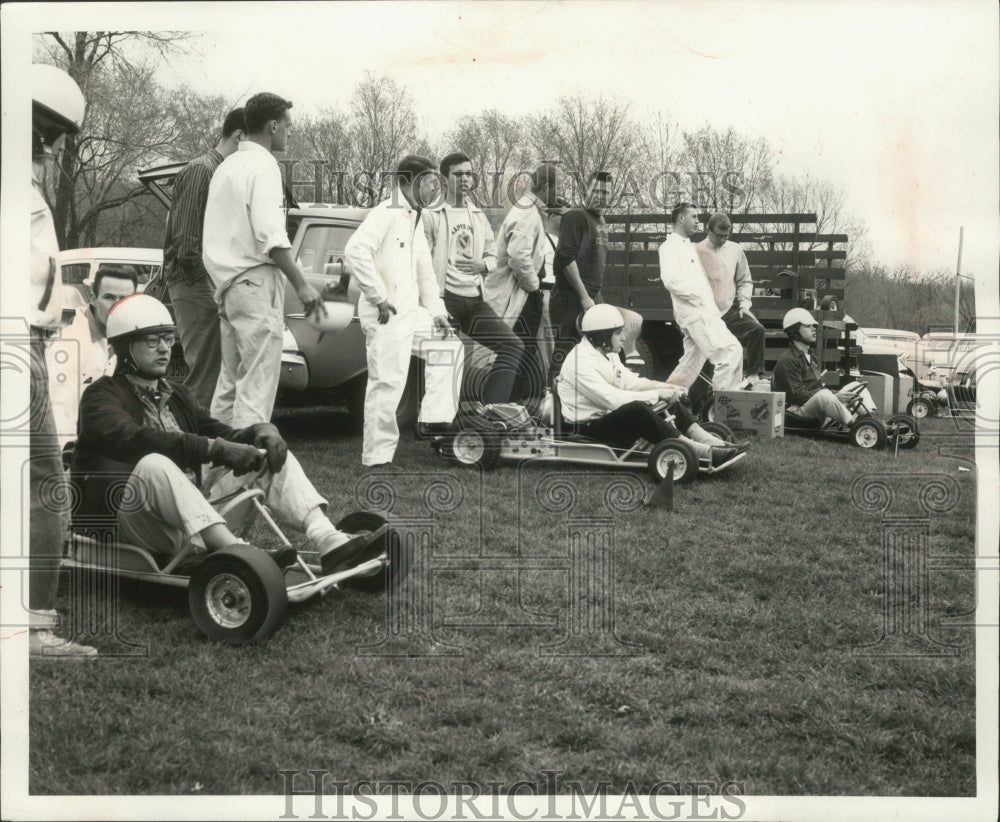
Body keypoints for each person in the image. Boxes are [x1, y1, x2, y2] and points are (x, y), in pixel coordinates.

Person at [70, 294, 375, 573]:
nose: (165, 348)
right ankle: (240, 554)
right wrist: (214, 449)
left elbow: (217, 432)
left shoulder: (175, 394)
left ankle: (327, 538)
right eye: (152, 341)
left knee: (265, 453)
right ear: (125, 347)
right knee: (154, 463)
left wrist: (258, 433)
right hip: (131, 524)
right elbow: (131, 438)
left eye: (167, 338)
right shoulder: (100, 397)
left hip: (190, 518)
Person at [27, 63, 97, 656]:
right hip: (15, 342)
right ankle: (34, 626)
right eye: (54, 137)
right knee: (46, 480)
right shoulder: (21, 192)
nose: (54, 151)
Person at [202, 93, 324, 428]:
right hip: (255, 285)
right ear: (273, 125)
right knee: (256, 388)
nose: (289, 132)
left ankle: (219, 474)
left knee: (228, 386)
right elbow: (270, 235)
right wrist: (302, 284)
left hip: (227, 288)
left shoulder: (226, 167)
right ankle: (246, 472)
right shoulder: (265, 165)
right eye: (288, 125)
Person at [344, 155, 465, 468]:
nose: (434, 187)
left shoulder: (415, 215)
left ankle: (434, 422)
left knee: (449, 346)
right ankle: (376, 458)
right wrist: (378, 296)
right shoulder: (387, 211)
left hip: (412, 312)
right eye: (429, 181)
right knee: (387, 383)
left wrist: (437, 311)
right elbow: (355, 251)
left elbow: (424, 270)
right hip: (386, 314)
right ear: (407, 182)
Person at [557, 305, 742, 466]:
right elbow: (612, 399)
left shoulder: (607, 353)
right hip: (587, 430)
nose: (623, 337)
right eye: (618, 333)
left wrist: (666, 388)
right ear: (603, 337)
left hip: (604, 420)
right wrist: (656, 395)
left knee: (666, 401)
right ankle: (702, 452)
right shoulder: (579, 362)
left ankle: (713, 444)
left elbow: (631, 383)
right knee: (638, 409)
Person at [423, 152, 524, 405]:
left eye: (469, 173)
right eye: (458, 174)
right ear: (444, 180)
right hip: (446, 301)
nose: (465, 179)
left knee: (512, 346)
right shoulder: (431, 215)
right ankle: (438, 425)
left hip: (475, 300)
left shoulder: (478, 215)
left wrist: (483, 264)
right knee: (446, 362)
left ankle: (491, 414)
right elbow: (421, 261)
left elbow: (493, 254)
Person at [163, 107, 246, 409]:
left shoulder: (220, 173)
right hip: (193, 283)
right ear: (239, 136)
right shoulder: (203, 170)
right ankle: (192, 448)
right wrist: (216, 288)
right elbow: (186, 247)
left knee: (218, 372)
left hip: (204, 284)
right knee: (205, 374)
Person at [548, 171, 644, 379]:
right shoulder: (575, 216)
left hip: (592, 296)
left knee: (599, 352)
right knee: (566, 353)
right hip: (570, 297)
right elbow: (565, 258)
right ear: (587, 190)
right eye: (596, 190)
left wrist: (593, 298)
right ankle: (551, 402)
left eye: (606, 192)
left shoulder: (600, 219)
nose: (601, 196)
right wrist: (584, 297)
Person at [484, 162, 562, 402]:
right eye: (558, 188)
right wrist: (535, 286)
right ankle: (500, 407)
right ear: (547, 186)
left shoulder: (531, 209)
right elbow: (518, 257)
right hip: (521, 293)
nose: (559, 194)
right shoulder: (527, 212)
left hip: (524, 292)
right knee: (517, 351)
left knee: (524, 351)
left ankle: (516, 407)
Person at [49, 265, 137, 450]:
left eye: (124, 299)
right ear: (93, 298)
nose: (116, 305)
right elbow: (58, 410)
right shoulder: (69, 343)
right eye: (109, 297)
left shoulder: (129, 342)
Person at [659, 202, 743, 392]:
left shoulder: (688, 246)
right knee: (729, 353)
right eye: (694, 217)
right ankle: (724, 405)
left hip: (704, 312)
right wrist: (697, 298)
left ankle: (667, 398)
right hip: (696, 313)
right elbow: (671, 280)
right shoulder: (669, 247)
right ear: (681, 218)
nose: (698, 221)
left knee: (691, 362)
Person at [696, 212, 766, 384]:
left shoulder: (735, 249)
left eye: (726, 236)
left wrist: (744, 305)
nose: (722, 240)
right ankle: (699, 407)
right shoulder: (696, 251)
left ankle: (753, 376)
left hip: (728, 311)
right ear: (708, 230)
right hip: (705, 316)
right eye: (719, 236)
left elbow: (744, 280)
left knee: (757, 330)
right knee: (702, 359)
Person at [772, 308, 858, 428]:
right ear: (795, 332)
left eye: (813, 325)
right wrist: (833, 396)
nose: (814, 328)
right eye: (808, 326)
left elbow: (817, 388)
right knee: (824, 395)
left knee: (854, 386)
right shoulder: (788, 361)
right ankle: (858, 426)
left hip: (811, 405)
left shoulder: (811, 356)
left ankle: (871, 420)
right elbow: (797, 396)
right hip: (794, 413)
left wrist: (835, 394)